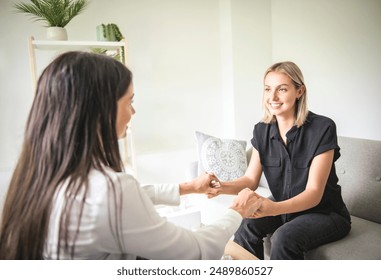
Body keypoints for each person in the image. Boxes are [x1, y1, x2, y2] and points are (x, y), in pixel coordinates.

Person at [0, 51, 262, 260]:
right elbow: (196, 252)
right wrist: (237, 211)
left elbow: (117, 200)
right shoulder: (111, 191)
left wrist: (188, 187)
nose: (133, 112)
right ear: (100, 110)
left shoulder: (39, 177)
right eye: (129, 101)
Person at [206, 61, 351, 260]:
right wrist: (220, 186)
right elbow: (250, 180)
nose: (272, 97)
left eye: (282, 89)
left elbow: (314, 194)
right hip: (286, 208)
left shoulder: (323, 128)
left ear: (299, 91)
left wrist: (273, 208)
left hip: (325, 213)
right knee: (245, 223)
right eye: (268, 89)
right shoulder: (262, 130)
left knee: (284, 237)